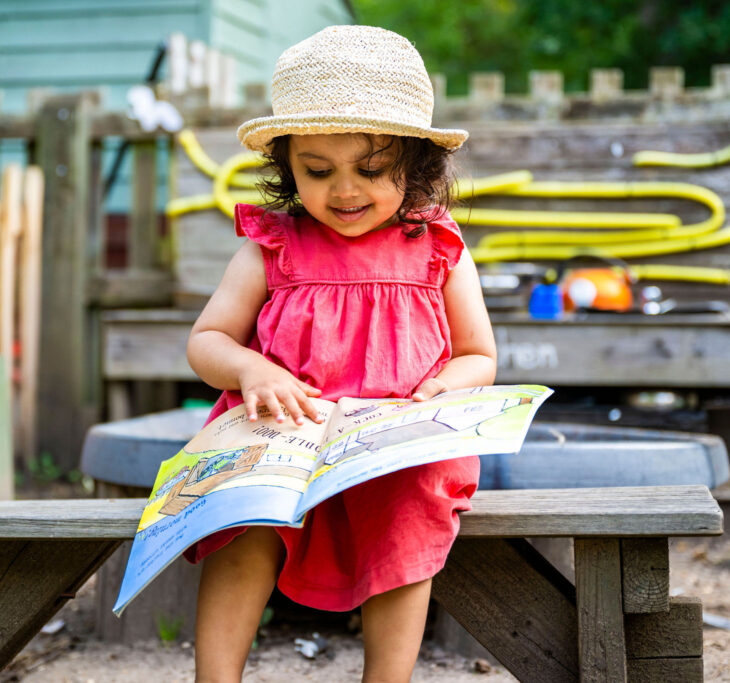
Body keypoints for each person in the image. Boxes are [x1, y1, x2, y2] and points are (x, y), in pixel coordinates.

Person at [184, 25, 497, 683]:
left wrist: (444, 387)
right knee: (242, 519)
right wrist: (252, 368)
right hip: (283, 443)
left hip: (391, 449)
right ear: (288, 166)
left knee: (410, 514)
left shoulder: (437, 246)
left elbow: (478, 355)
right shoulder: (273, 246)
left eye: (371, 169)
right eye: (317, 171)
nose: (344, 191)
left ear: (414, 164)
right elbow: (205, 342)